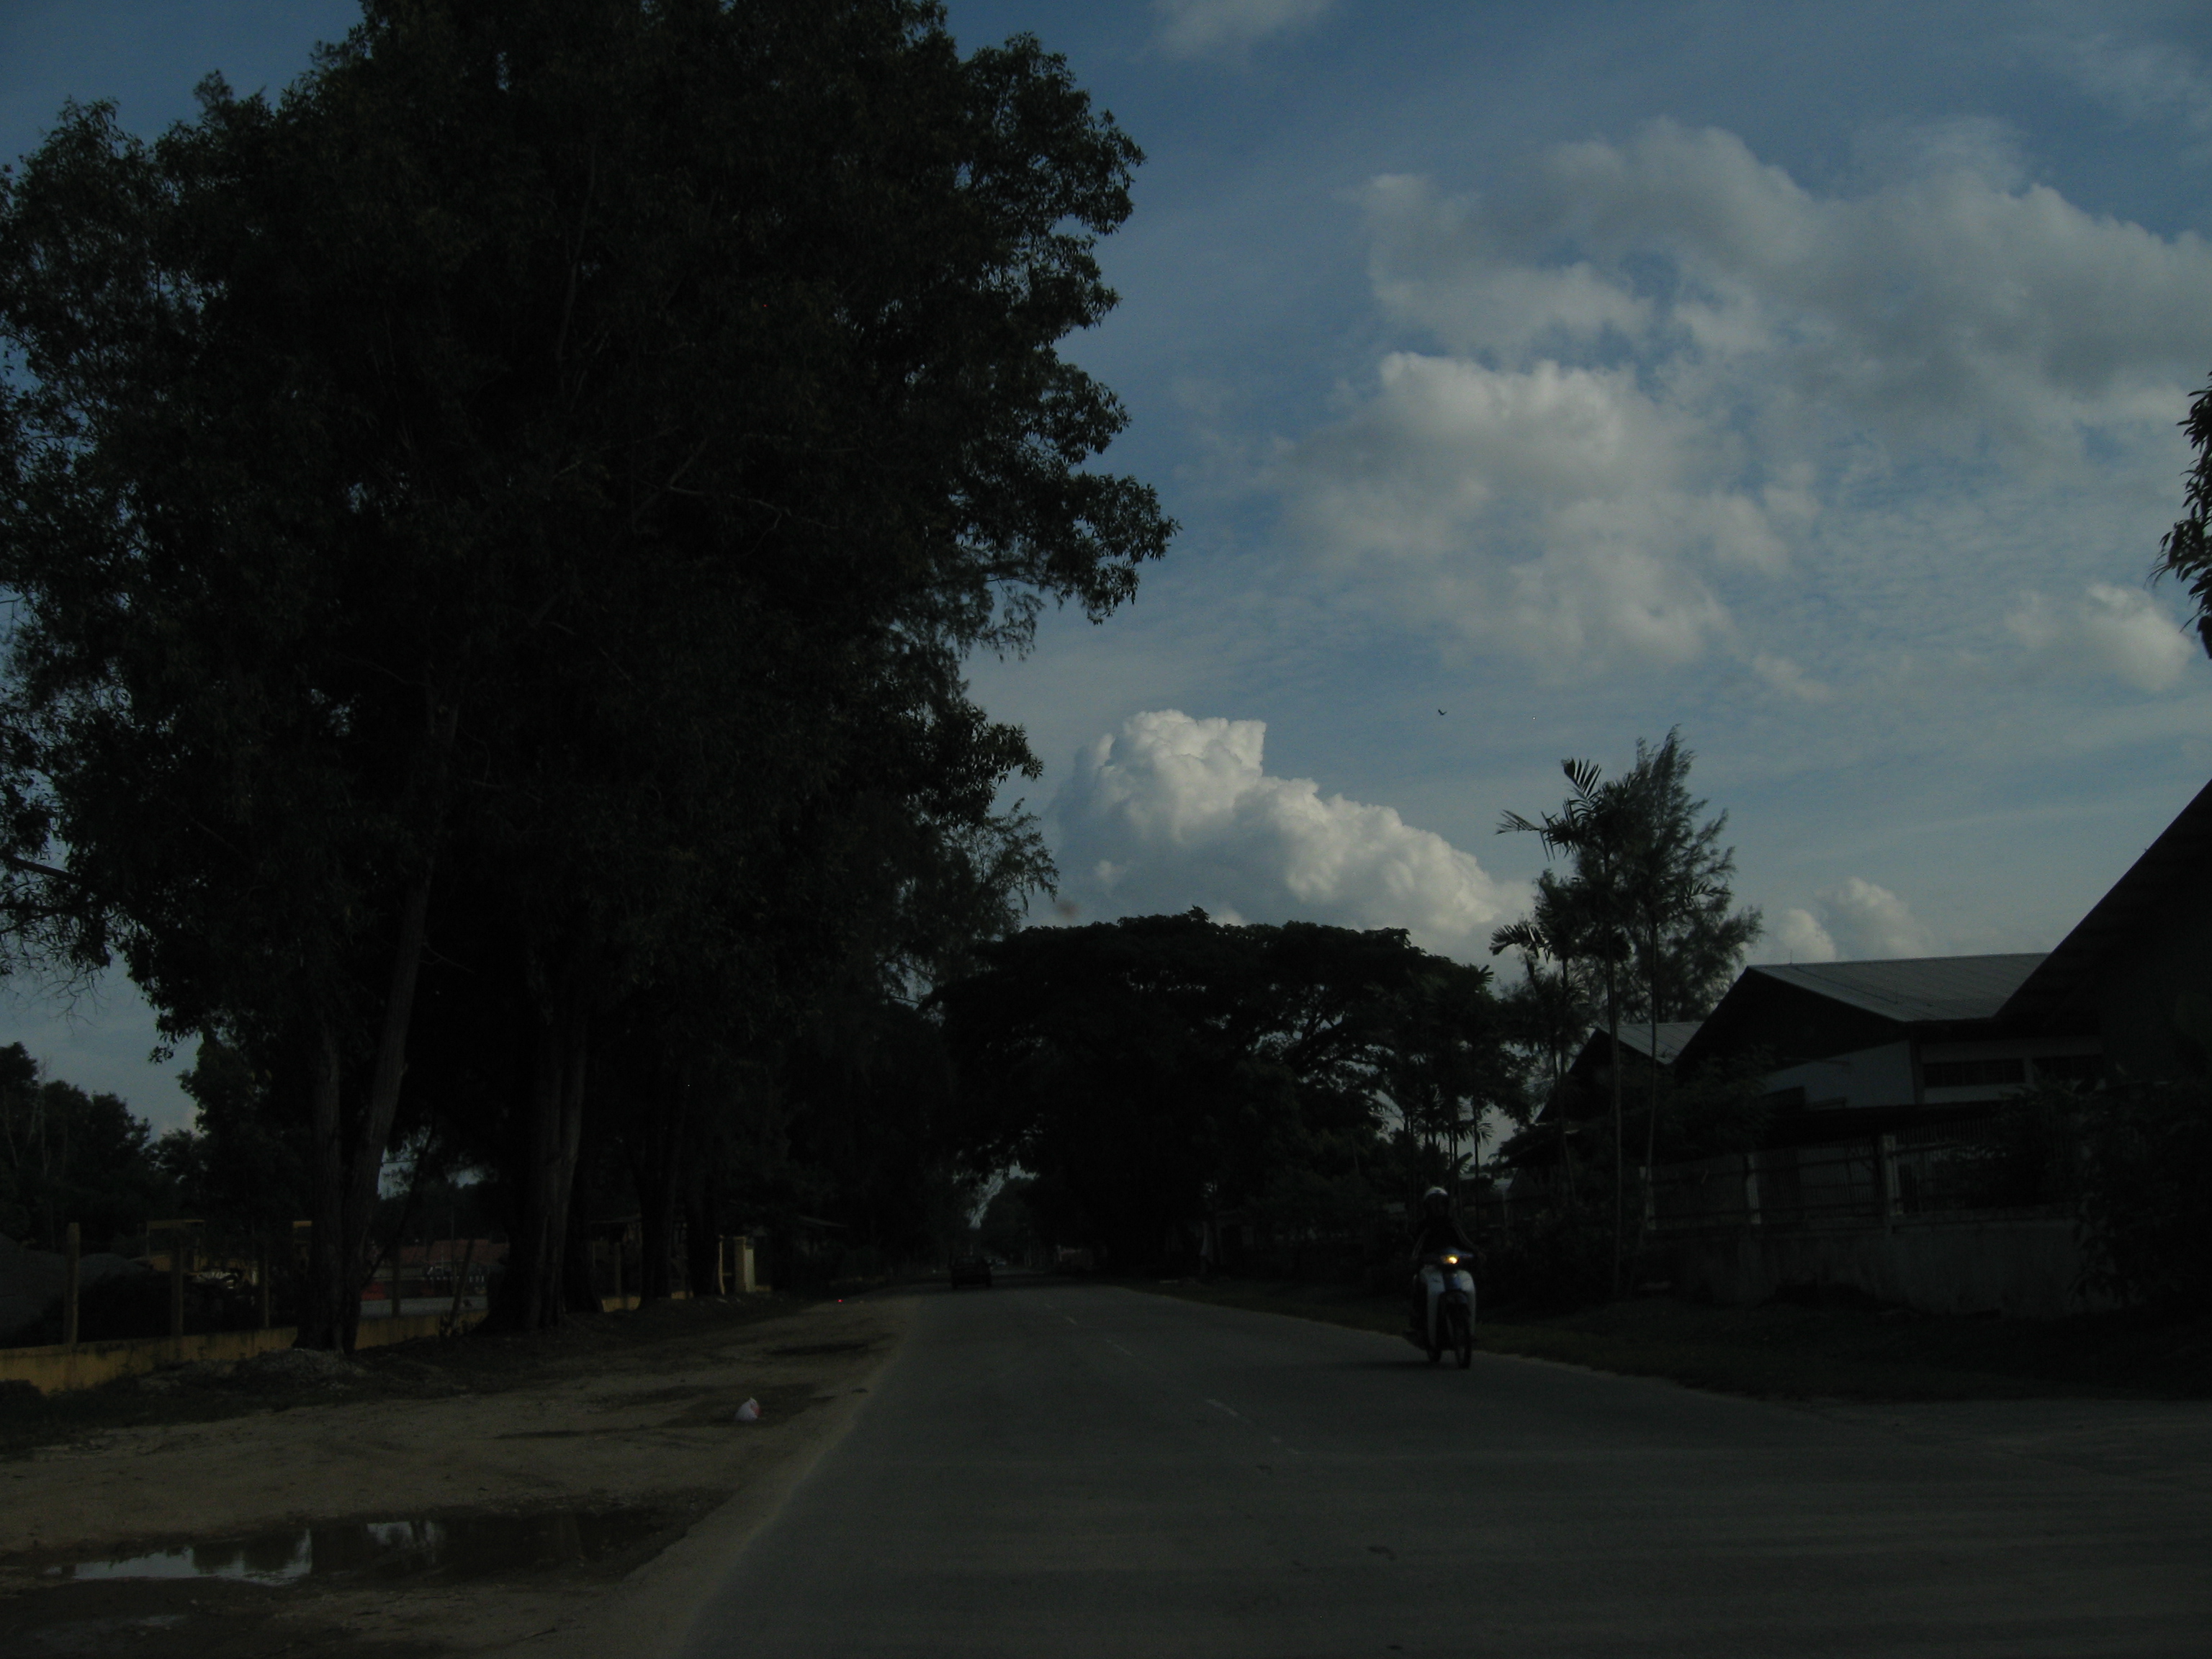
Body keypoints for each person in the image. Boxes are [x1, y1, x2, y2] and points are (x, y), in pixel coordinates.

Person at [1406, 1186, 1473, 1339]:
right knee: (1419, 1285)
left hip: (1452, 1267)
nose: (1438, 1208)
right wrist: (1416, 1257)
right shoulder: (1425, 1226)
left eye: (1441, 1203)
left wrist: (1477, 1252)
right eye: (1434, 1204)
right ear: (1428, 1207)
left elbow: (1465, 1242)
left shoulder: (1452, 1224)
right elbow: (1418, 1245)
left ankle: (1467, 1327)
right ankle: (1420, 1323)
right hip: (1430, 1267)